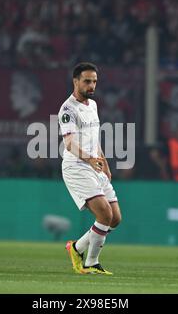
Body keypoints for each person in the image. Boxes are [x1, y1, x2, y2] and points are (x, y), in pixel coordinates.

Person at [59, 62, 121, 275]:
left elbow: (94, 138)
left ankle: (76, 248)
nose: (92, 85)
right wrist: (90, 160)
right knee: (104, 213)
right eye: (87, 81)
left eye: (94, 81)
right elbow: (69, 143)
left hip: (94, 164)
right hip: (77, 166)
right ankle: (91, 262)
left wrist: (104, 162)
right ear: (75, 81)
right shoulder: (67, 109)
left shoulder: (92, 105)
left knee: (115, 218)